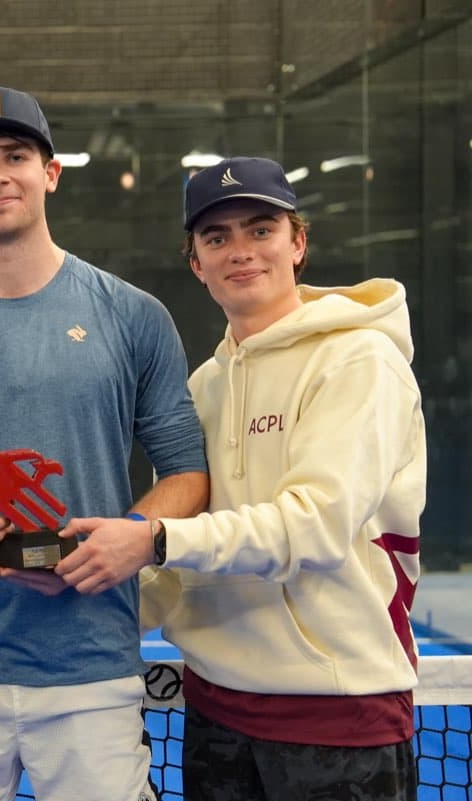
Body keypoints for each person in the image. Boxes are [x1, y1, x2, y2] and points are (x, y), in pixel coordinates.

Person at [0, 85, 209, 801]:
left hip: (91, 666)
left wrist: (132, 535)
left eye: (16, 154)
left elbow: (186, 470)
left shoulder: (133, 317)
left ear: (50, 173)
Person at [61, 156, 425, 800]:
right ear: (196, 262)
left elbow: (314, 527)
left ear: (298, 243)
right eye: (217, 237)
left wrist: (150, 540)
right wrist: (78, 579)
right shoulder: (204, 387)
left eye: (261, 229)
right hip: (217, 712)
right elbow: (181, 566)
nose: (241, 251)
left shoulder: (360, 360)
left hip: (339, 718)